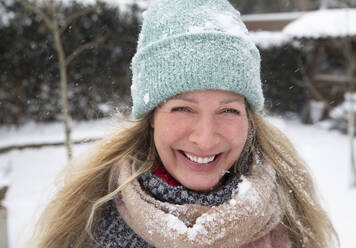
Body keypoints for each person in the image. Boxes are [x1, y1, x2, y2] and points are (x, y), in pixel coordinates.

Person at [32, 0, 339, 247]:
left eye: (228, 111)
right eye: (182, 109)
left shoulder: (291, 221)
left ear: (249, 118)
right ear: (152, 116)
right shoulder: (89, 228)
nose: (205, 139)